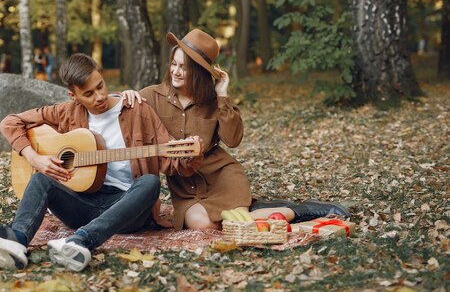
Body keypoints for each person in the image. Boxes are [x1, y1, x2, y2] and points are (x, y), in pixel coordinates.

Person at [0, 54, 202, 271]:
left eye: (100, 86)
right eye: (88, 93)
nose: (99, 96)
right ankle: (16, 241)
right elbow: (9, 123)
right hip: (82, 204)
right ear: (73, 96)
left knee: (149, 182)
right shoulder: (67, 111)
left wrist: (189, 155)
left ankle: (81, 241)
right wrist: (36, 158)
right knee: (41, 179)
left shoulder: (137, 109)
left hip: (127, 209)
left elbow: (172, 163)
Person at [123, 29, 350, 230]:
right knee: (202, 224)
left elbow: (232, 140)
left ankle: (300, 211)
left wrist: (222, 95)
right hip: (185, 187)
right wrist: (124, 95)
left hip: (221, 176)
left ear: (199, 73)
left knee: (229, 222)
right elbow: (112, 107)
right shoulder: (151, 96)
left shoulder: (213, 100)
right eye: (174, 64)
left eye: (185, 67)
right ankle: (274, 210)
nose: (176, 72)